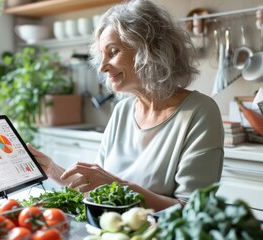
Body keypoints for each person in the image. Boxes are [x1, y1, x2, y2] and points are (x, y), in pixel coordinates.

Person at [27, 0, 224, 212]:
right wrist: (52, 170)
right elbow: (96, 190)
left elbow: (191, 210)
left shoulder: (200, 112)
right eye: (102, 55)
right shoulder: (122, 111)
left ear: (148, 50)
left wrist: (119, 187)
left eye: (112, 52)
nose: (102, 67)